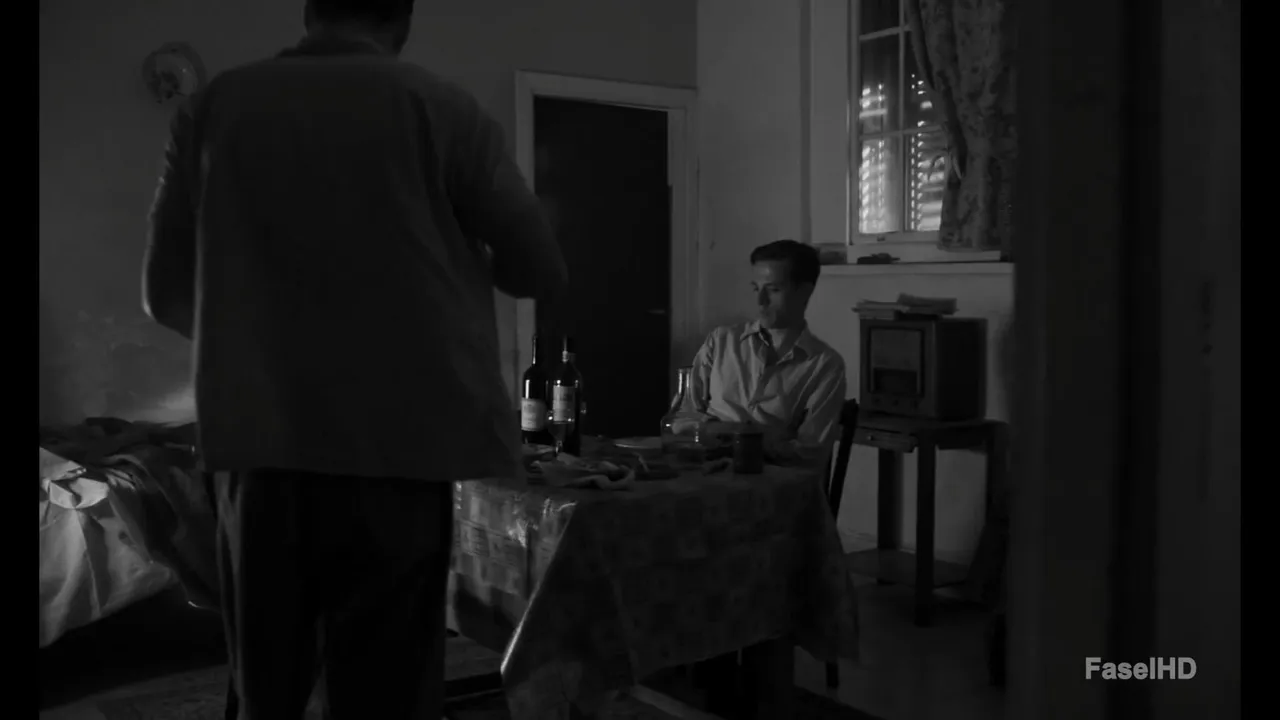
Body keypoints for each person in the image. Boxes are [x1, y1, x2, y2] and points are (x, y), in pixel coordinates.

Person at [141, 0, 567, 717]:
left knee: (266, 691)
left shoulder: (213, 108)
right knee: (385, 696)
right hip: (399, 455)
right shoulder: (442, 108)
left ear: (310, 11)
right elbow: (540, 270)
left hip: (261, 451)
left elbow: (163, 297)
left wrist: (262, 347)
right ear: (402, 19)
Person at [682, 239, 847, 463]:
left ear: (805, 292)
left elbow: (810, 451)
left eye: (773, 290)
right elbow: (683, 418)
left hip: (770, 478)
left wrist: (731, 437)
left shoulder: (824, 365)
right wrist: (741, 432)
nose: (760, 301)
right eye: (756, 288)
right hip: (707, 470)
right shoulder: (721, 341)